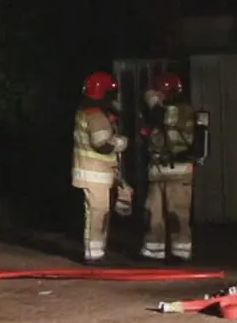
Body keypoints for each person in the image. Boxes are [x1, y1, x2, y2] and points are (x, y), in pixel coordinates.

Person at [140, 71, 199, 261]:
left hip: (178, 171)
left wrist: (151, 100)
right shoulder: (162, 109)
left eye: (159, 92)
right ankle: (153, 251)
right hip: (157, 171)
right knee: (153, 213)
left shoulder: (182, 109)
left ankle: (180, 252)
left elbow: (160, 115)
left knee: (178, 214)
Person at [72, 72, 131, 263]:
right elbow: (103, 145)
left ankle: (96, 252)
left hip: (94, 172)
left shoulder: (88, 111)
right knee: (98, 212)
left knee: (99, 212)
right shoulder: (96, 115)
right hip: (95, 172)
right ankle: (94, 255)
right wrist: (122, 142)